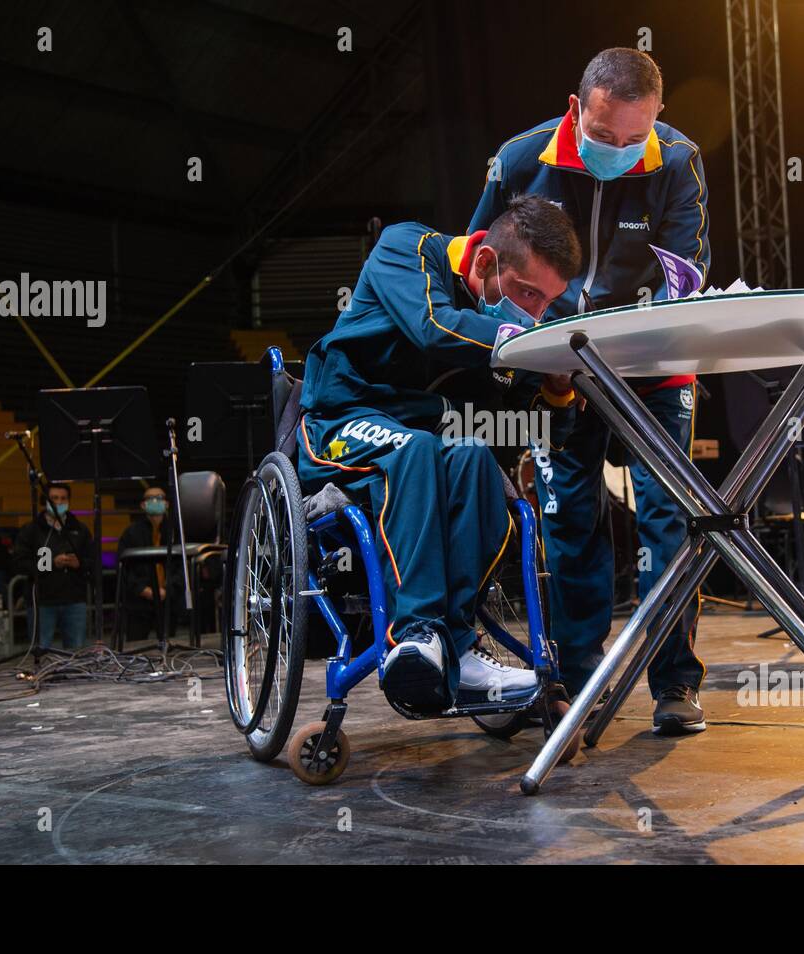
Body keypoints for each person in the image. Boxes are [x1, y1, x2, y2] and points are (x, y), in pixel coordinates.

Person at [470, 48, 711, 734]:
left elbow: (686, 273)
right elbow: (478, 262)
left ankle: (675, 684)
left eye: (635, 138)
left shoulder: (677, 161)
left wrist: (657, 324)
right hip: (559, 372)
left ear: (657, 119)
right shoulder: (520, 160)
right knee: (570, 518)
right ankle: (579, 681)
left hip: (655, 370)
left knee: (673, 522)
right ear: (577, 109)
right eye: (604, 137)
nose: (620, 150)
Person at [299, 195, 581, 712]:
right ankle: (419, 634)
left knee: (473, 455)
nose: (537, 314)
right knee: (420, 449)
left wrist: (559, 387)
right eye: (526, 294)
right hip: (347, 417)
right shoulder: (407, 247)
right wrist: (527, 341)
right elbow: (431, 325)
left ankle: (457, 641)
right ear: (484, 262)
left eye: (547, 303)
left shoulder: (504, 338)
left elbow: (535, 428)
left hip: (431, 437)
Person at [13, 482, 91, 651]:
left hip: (74, 601)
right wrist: (51, 563)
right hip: (43, 601)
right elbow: (20, 563)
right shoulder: (31, 530)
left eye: (63, 498)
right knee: (41, 651)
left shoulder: (80, 529)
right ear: (45, 501)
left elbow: (93, 561)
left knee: (77, 652)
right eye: (54, 498)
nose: (59, 502)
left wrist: (80, 563)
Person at [117, 485, 183, 641]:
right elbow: (123, 566)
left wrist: (167, 589)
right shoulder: (131, 533)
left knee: (168, 643)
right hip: (139, 602)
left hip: (168, 600)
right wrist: (143, 589)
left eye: (159, 498)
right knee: (136, 646)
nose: (155, 501)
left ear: (166, 503)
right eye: (150, 499)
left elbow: (182, 567)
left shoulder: (176, 531)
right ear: (143, 505)